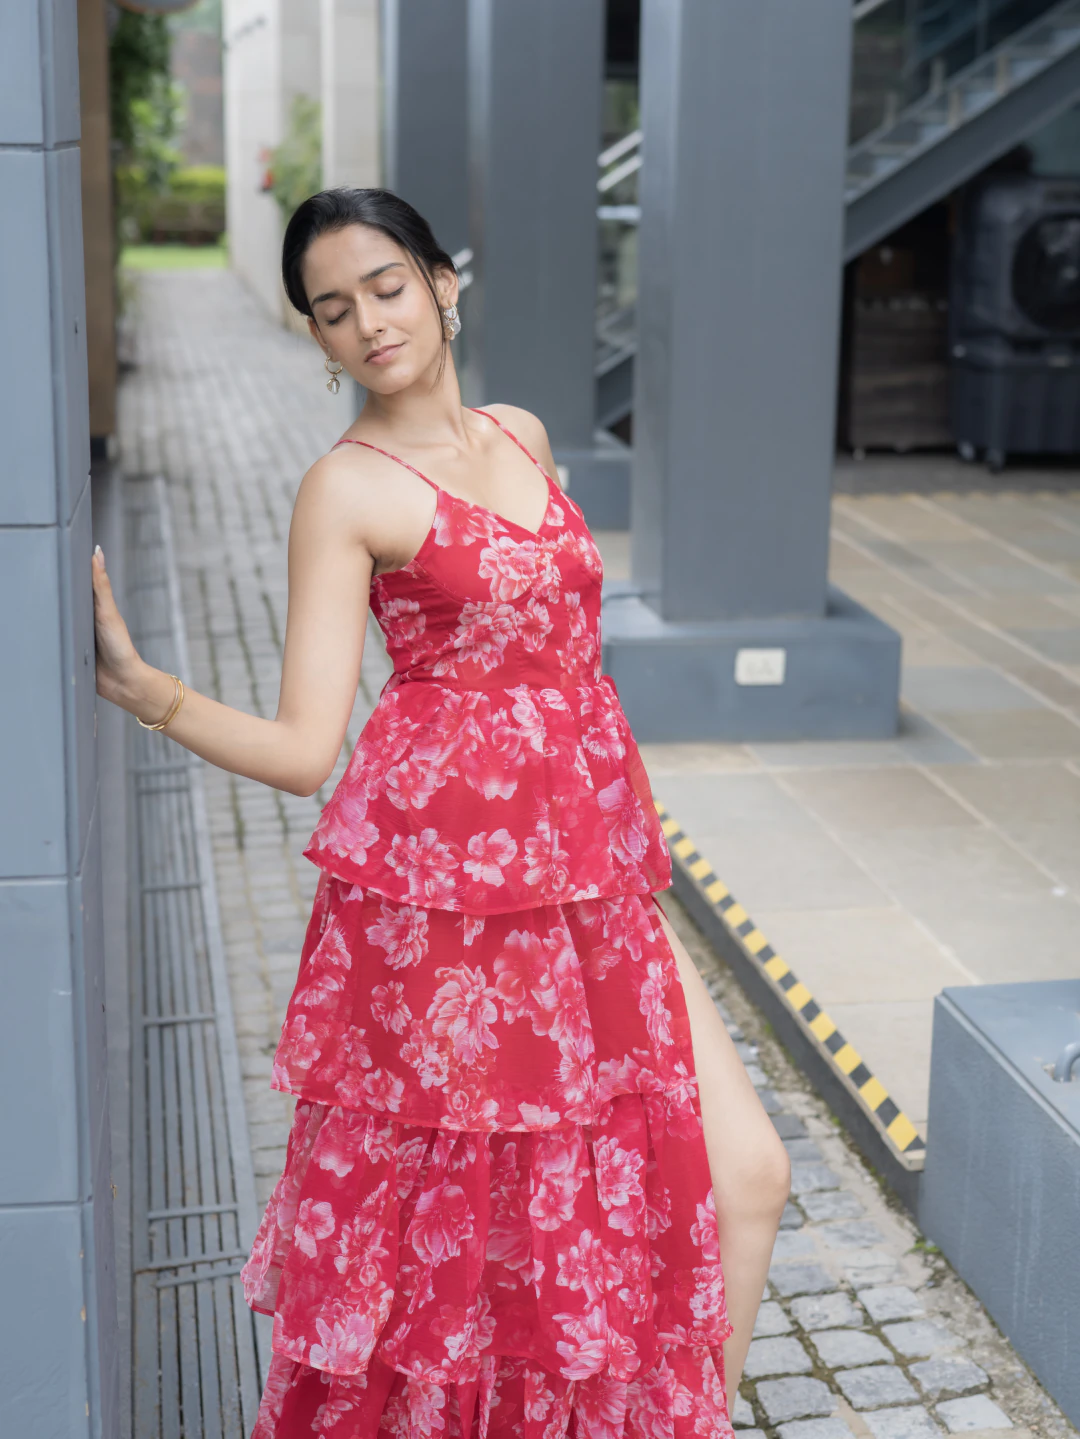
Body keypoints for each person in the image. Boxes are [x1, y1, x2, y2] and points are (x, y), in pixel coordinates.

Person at [93, 188, 790, 1437]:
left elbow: (570, 662)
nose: (366, 321)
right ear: (314, 337)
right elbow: (309, 746)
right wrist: (155, 695)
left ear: (442, 282)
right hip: (449, 926)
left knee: (747, 1173)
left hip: (589, 886)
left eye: (386, 285)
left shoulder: (522, 432)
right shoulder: (345, 489)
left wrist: (620, 833)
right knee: (475, 1269)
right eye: (331, 308)